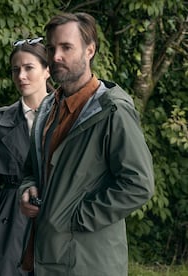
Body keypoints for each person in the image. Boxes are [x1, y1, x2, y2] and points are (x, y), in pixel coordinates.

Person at [18, 12, 155, 275]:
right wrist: (28, 188)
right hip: (43, 258)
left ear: (89, 50)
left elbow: (139, 184)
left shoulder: (113, 111)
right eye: (51, 48)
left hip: (87, 264)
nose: (56, 56)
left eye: (66, 47)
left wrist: (77, 217)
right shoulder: (48, 106)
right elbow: (31, 168)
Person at [0, 37, 51, 276]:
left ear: (47, 70)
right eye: (15, 70)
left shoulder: (69, 115)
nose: (21, 76)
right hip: (7, 222)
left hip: (54, 213)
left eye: (29, 68)